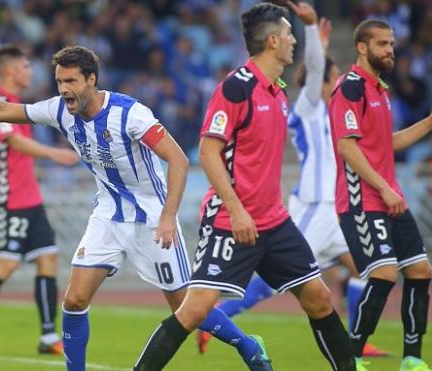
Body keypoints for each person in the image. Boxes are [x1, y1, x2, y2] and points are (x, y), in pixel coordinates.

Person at [0, 45, 271, 371]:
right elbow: (3, 110)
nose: (63, 89)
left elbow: (178, 160)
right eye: (60, 81)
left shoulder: (130, 114)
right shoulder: (60, 110)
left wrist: (168, 216)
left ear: (92, 80)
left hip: (152, 218)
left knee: (186, 308)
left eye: (71, 81)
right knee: (75, 299)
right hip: (108, 214)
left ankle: (248, 345)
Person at [132, 3, 355, 371]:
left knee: (319, 298)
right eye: (287, 34)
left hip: (274, 220)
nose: (291, 41)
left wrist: (316, 37)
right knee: (196, 309)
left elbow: (314, 73)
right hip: (230, 221)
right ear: (271, 41)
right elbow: (208, 150)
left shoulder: (278, 91)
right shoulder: (236, 88)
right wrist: (236, 209)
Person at [196, 1, 389, 359]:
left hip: (336, 205)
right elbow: (315, 71)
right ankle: (220, 318)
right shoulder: (309, 106)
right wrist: (313, 32)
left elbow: (318, 69)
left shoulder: (337, 110)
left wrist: (320, 44)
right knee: (283, 284)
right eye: (336, 77)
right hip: (314, 205)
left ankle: (356, 341)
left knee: (367, 267)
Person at [328, 19, 432, 371]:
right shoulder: (350, 88)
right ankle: (349, 358)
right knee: (383, 274)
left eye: (392, 43)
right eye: (382, 44)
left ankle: (412, 358)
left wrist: (430, 123)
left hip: (389, 198)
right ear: (362, 47)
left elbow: (387, 143)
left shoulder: (379, 89)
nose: (390, 50)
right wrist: (383, 187)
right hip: (362, 201)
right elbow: (347, 148)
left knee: (420, 270)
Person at [0, 45, 79, 358]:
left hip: (30, 196)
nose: (31, 70)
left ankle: (48, 335)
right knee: (6, 264)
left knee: (48, 258)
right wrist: (55, 154)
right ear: (11, 71)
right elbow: (14, 140)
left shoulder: (19, 105)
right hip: (8, 198)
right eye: (26, 66)